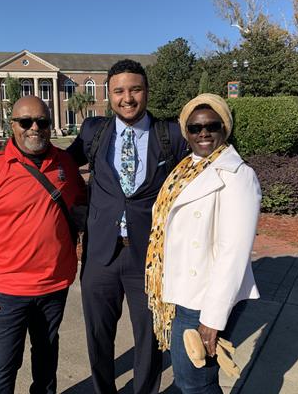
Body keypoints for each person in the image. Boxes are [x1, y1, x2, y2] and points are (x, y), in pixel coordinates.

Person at [67, 59, 189, 394]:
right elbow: (59, 164)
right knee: (98, 336)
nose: (127, 98)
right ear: (109, 95)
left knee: (150, 339)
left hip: (149, 259)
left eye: (135, 89)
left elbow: (204, 167)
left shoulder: (171, 134)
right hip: (100, 255)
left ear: (146, 91)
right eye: (119, 91)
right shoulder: (94, 131)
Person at [0, 96, 86, 394]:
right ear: (11, 125)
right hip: (7, 290)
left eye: (42, 121)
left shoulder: (65, 163)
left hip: (54, 285)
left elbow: (81, 204)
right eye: (25, 122)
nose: (34, 128)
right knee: (3, 366)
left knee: (46, 359)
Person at [145, 93, 262, 393]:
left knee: (195, 382)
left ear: (225, 128)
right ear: (186, 132)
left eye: (212, 126)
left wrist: (213, 318)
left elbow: (234, 252)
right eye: (195, 128)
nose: (204, 133)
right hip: (180, 293)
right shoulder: (185, 169)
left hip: (204, 299)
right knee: (190, 379)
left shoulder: (238, 175)